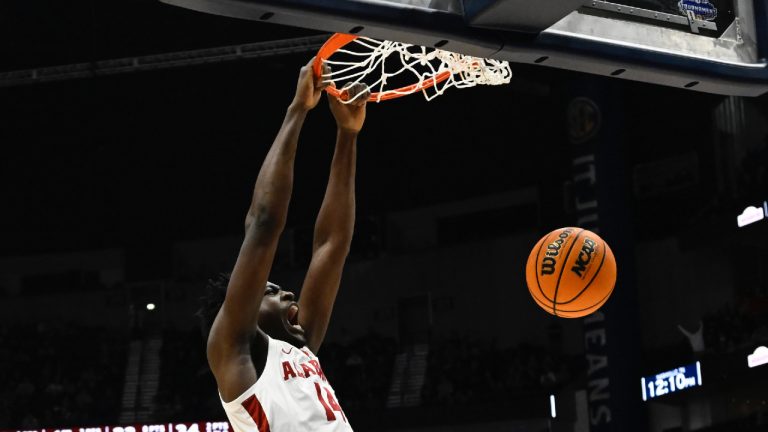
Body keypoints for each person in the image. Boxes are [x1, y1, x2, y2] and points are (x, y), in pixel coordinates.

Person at [196, 58, 368, 431]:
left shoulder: (300, 349)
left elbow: (332, 245)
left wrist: (347, 135)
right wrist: (297, 110)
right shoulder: (234, 350)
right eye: (270, 291)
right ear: (240, 309)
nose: (288, 292)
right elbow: (263, 224)